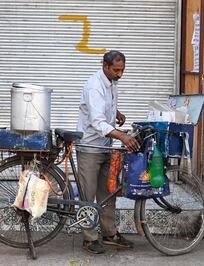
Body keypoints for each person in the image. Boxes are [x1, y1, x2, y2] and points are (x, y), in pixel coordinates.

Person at [76, 50, 140, 254]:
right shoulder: (95, 85)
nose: (120, 74)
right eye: (116, 70)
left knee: (108, 193)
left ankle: (110, 233)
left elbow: (104, 108)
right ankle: (89, 238)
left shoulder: (112, 82)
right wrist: (122, 136)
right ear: (105, 66)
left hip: (105, 145)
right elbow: (96, 121)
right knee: (89, 194)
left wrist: (117, 113)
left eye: (122, 70)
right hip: (90, 147)